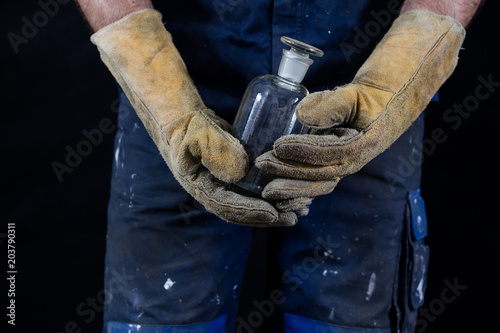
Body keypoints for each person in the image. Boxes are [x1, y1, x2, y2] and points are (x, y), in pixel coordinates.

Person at [76, 0, 481, 332]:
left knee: (349, 320)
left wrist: (404, 72)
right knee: (160, 321)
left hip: (364, 89)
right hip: (177, 78)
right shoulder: (169, 98)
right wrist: (161, 98)